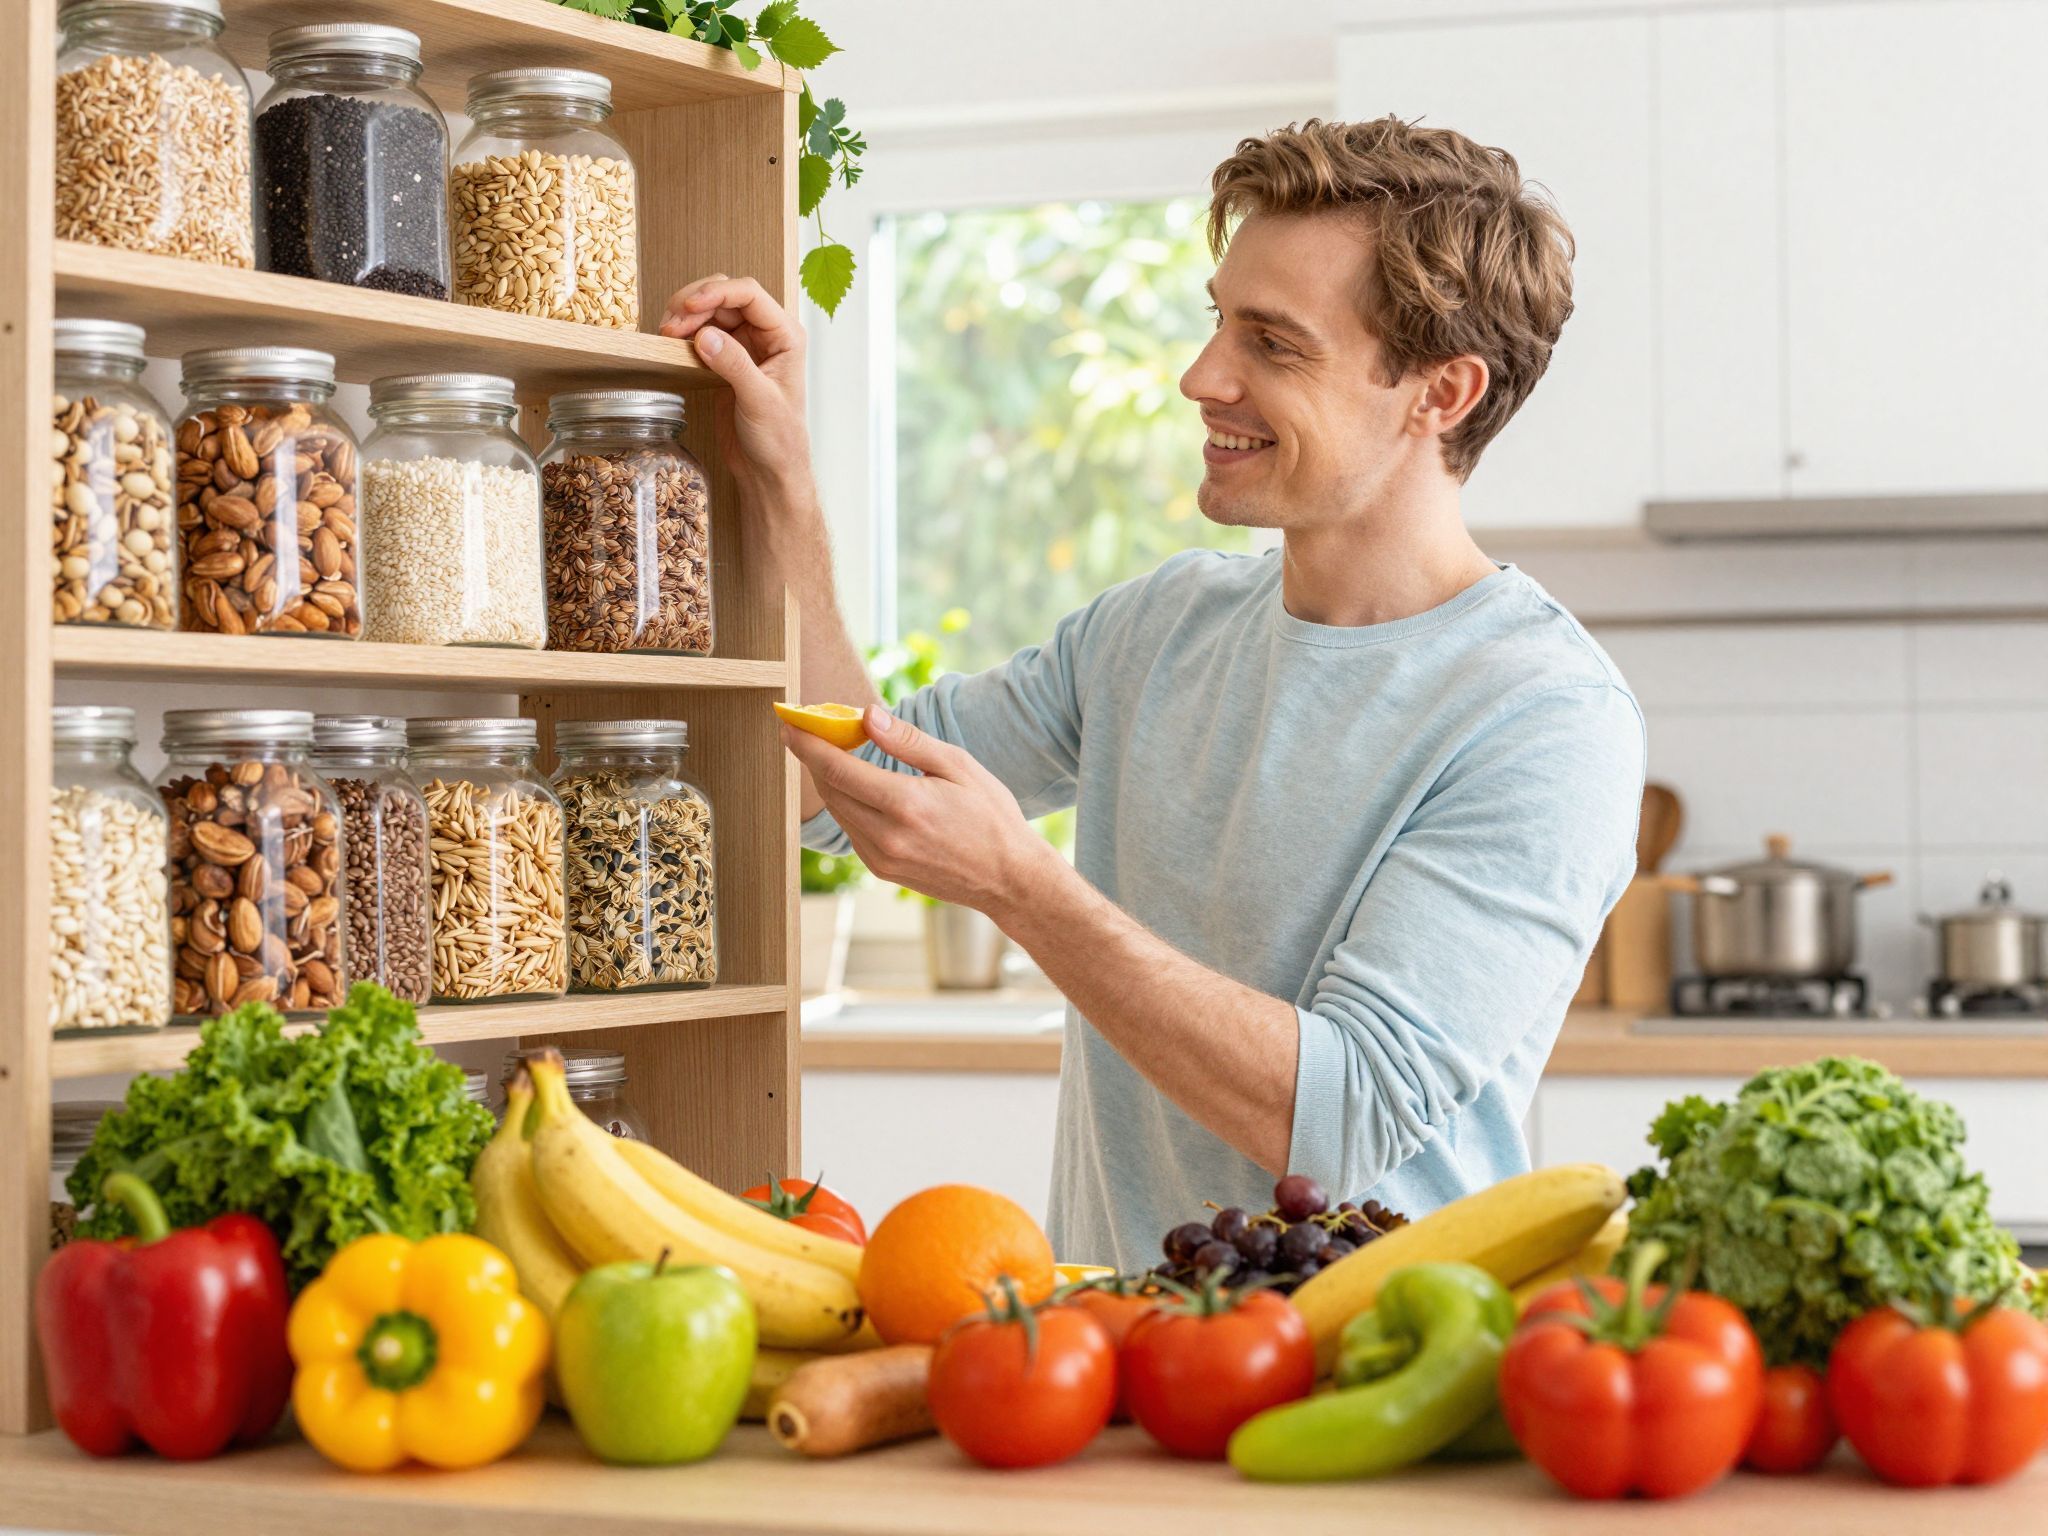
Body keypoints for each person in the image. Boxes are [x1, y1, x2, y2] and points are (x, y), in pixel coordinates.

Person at [660, 116, 1646, 1269]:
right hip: (1118, 1362)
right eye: (1216, 320)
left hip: (1380, 1387)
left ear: (1441, 393)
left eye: (1272, 344)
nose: (1201, 378)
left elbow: (1332, 1123)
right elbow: (850, 786)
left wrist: (1020, 886)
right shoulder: (1160, 629)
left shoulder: (1540, 716)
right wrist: (780, 479)